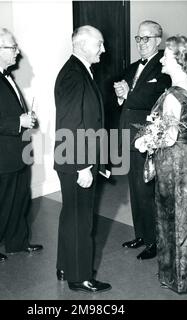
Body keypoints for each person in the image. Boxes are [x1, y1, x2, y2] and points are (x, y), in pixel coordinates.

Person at [134, 35, 187, 293]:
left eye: (166, 55)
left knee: (174, 216)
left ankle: (178, 277)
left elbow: (168, 137)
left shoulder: (173, 95)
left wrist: (146, 142)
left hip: (175, 162)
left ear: (178, 59)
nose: (162, 59)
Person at [0, 28, 43, 262]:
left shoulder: (4, 75)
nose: (17, 51)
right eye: (13, 47)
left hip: (15, 152)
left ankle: (17, 242)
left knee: (20, 198)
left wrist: (23, 119)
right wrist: (19, 121)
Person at [54, 25, 111, 293]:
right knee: (81, 220)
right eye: (99, 44)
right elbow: (71, 123)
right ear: (82, 44)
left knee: (71, 216)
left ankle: (66, 265)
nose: (103, 49)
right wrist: (84, 166)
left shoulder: (78, 71)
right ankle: (80, 277)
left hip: (76, 159)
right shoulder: (74, 75)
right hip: (77, 161)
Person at [114, 20, 171, 260]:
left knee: (147, 190)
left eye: (146, 38)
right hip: (128, 135)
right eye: (138, 38)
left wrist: (129, 94)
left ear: (158, 40)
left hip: (148, 137)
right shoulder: (132, 66)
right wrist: (119, 95)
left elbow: (153, 98)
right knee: (135, 189)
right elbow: (124, 99)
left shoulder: (164, 67)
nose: (141, 43)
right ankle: (141, 233)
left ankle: (154, 240)